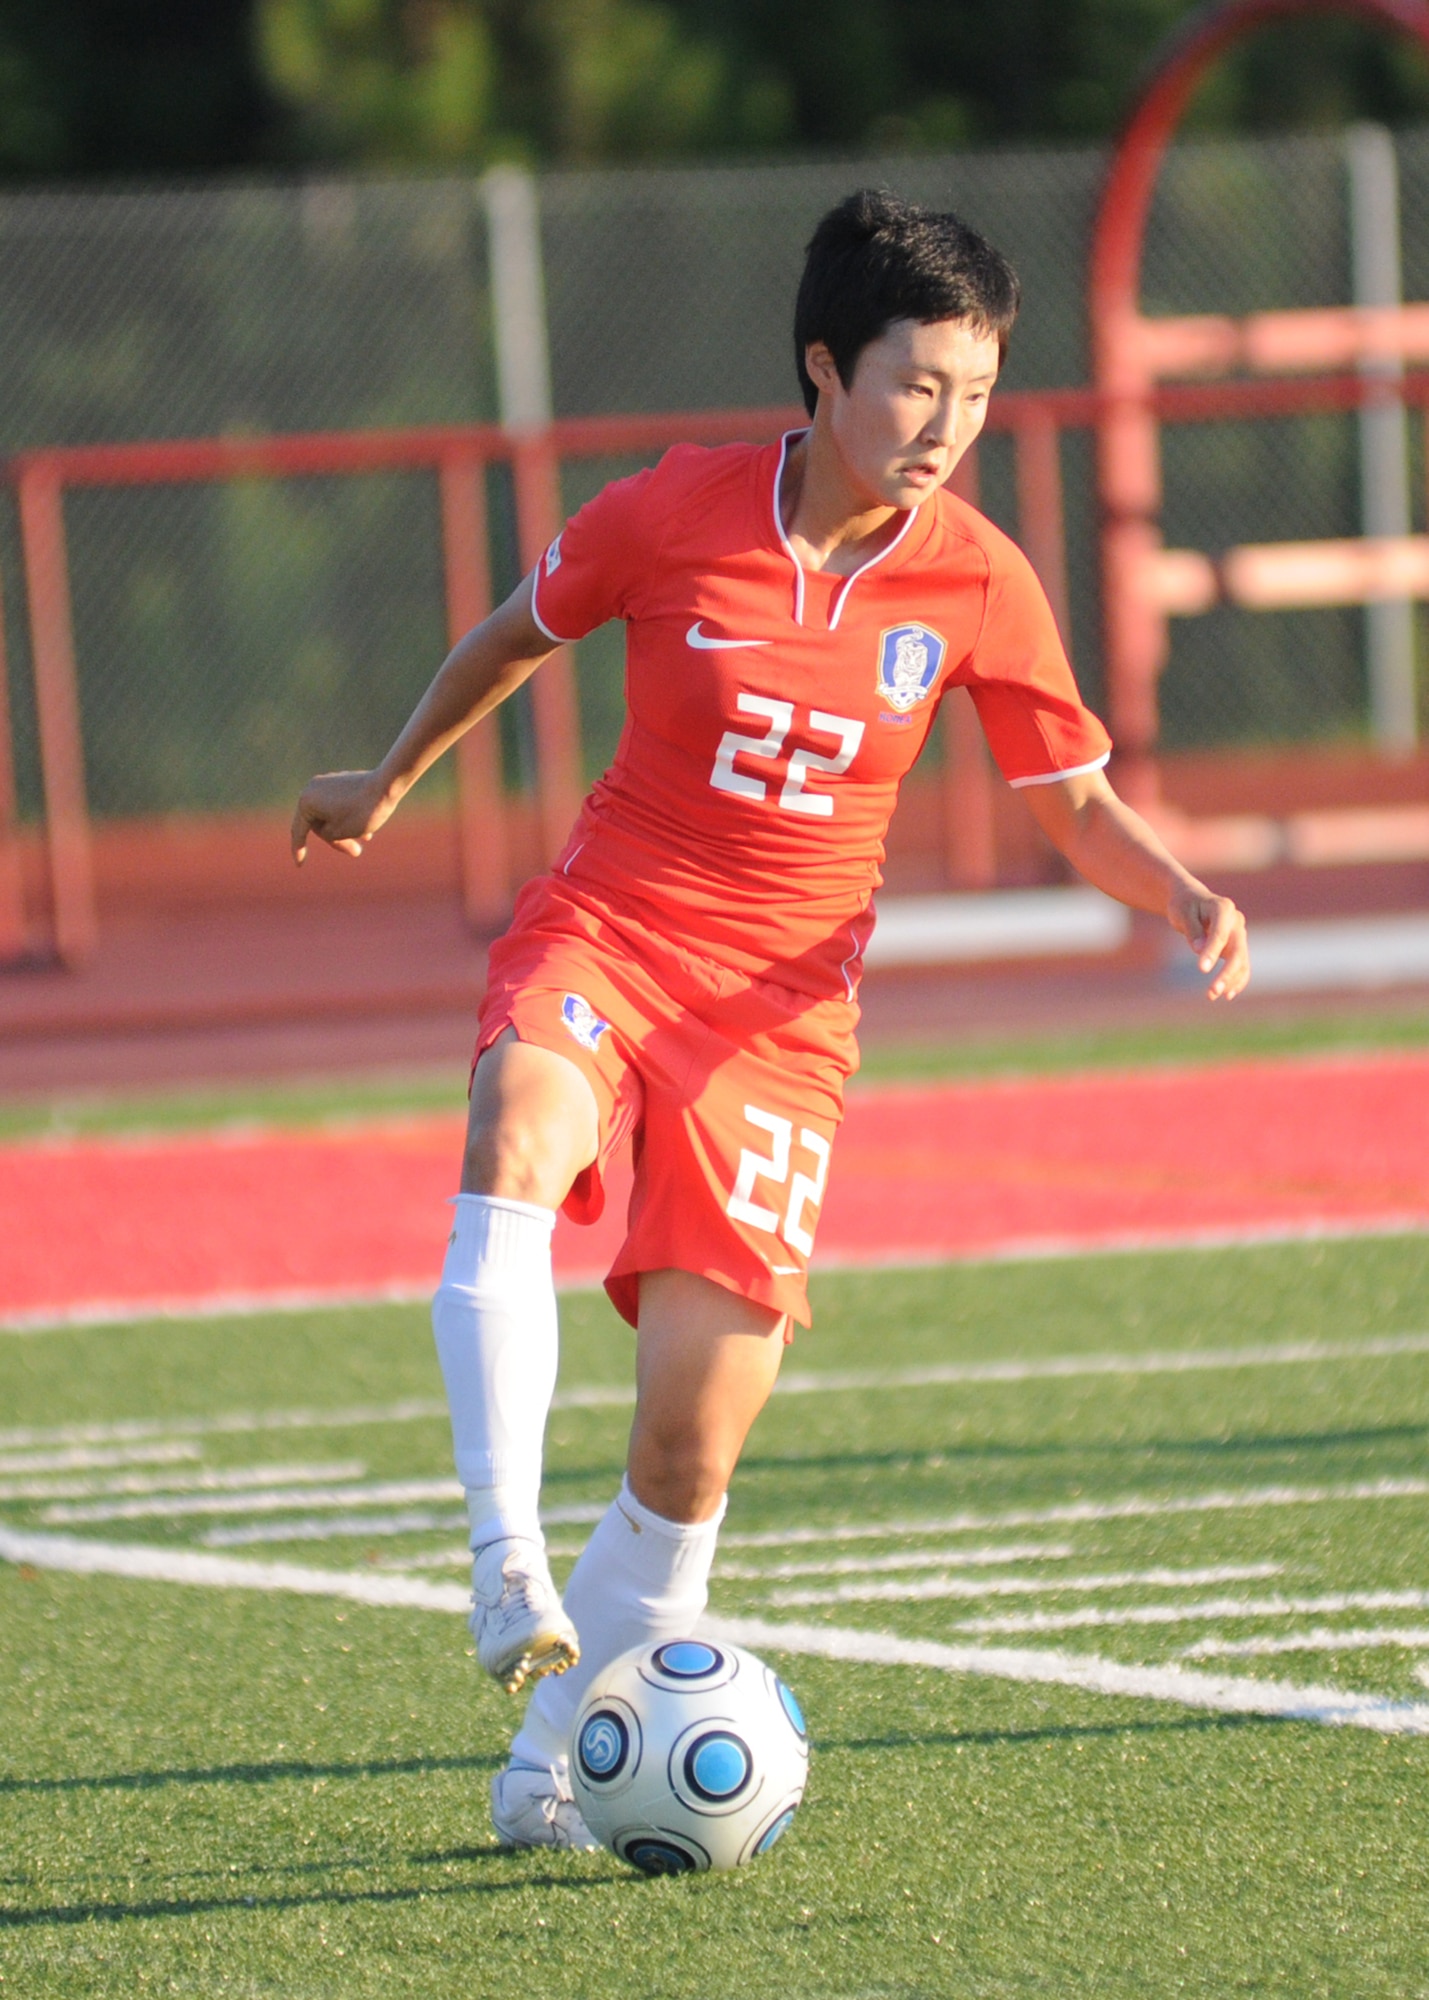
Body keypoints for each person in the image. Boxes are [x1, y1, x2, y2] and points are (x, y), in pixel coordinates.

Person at [290, 189, 1250, 1850]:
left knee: (688, 1442)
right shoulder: (673, 513)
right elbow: (514, 640)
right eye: (913, 385)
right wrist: (386, 778)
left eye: (975, 391)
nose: (946, 426)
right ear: (821, 369)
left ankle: (549, 1759)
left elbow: (1070, 795)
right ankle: (497, 1550)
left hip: (781, 1020)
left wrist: (1174, 889)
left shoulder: (975, 580)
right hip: (612, 927)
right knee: (516, 1125)